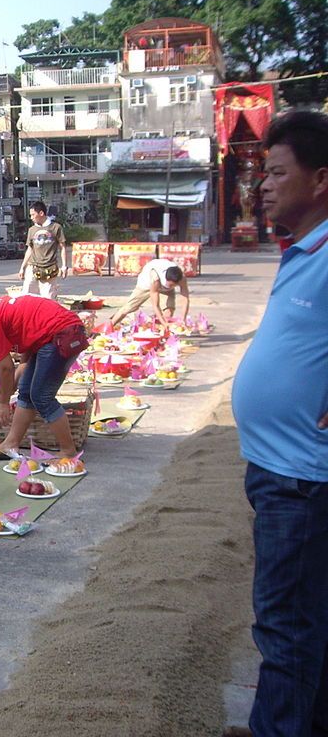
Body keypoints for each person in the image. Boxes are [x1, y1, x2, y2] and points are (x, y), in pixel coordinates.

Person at [230, 110, 328, 737]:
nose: (263, 185)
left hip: (301, 476)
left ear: (320, 180)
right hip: (284, 471)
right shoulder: (303, 250)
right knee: (306, 621)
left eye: (276, 172)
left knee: (286, 627)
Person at [0, 293, 88, 463]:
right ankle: (10, 443)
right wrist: (17, 379)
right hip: (61, 332)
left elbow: (5, 367)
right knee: (26, 391)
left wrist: (3, 402)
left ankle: (68, 451)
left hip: (62, 335)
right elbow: (28, 342)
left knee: (42, 397)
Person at [109, 258, 190, 330]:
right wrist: (163, 322)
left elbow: (185, 298)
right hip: (146, 283)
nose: (171, 286)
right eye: (170, 284)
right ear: (165, 278)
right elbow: (155, 305)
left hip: (165, 283)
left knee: (169, 309)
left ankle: (162, 331)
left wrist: (183, 319)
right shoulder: (156, 279)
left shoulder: (181, 278)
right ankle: (110, 326)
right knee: (129, 307)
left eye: (173, 285)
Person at [18, 201, 67, 299]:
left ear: (41, 213)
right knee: (26, 297)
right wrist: (22, 267)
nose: (31, 217)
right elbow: (30, 249)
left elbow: (63, 247)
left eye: (33, 215)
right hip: (32, 268)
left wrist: (64, 266)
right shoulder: (32, 230)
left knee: (48, 299)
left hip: (49, 269)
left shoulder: (56, 227)